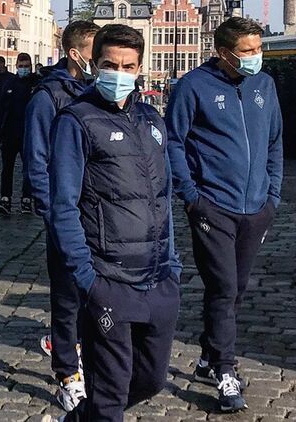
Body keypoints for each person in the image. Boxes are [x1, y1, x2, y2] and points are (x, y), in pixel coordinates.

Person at [43, 24, 182, 422]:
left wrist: (172, 265)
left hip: (157, 278)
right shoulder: (77, 120)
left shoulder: (152, 119)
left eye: (128, 66)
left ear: (139, 68)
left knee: (150, 380)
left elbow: (163, 196)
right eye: (110, 65)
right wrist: (88, 278)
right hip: (109, 280)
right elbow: (63, 205)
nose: (119, 73)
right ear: (94, 64)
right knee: (109, 394)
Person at [166, 17, 282, 413]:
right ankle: (225, 369)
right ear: (223, 52)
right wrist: (191, 196)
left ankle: (207, 355)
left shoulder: (264, 85)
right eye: (247, 51)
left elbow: (274, 141)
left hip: (256, 208)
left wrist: (272, 195)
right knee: (224, 287)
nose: (255, 56)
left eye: (258, 49)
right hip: (212, 207)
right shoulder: (193, 86)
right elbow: (174, 142)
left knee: (237, 287)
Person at [23, 20, 99, 412]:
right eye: (94, 53)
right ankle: (68, 374)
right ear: (75, 54)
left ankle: (82, 351)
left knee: (93, 293)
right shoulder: (47, 97)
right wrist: (51, 211)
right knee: (67, 296)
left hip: (99, 210)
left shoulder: (98, 92)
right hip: (65, 210)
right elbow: (36, 160)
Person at [0, 52, 40, 215]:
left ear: (31, 66)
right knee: (7, 168)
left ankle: (26, 199)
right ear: (16, 66)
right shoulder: (10, 83)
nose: (23, 69)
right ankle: (5, 197)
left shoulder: (36, 84)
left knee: (28, 168)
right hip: (10, 132)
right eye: (21, 66)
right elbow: (1, 110)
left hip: (29, 133)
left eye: (26, 66)